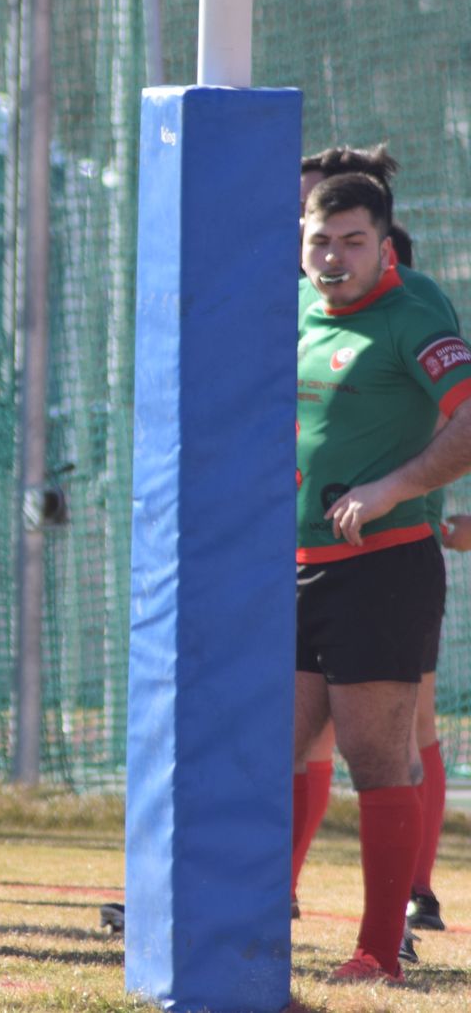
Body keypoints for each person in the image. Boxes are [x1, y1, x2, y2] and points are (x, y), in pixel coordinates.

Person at [294, 171, 471, 982]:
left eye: (352, 242)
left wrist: (393, 488)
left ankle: (377, 950)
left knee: (377, 757)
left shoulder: (412, 311)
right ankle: (247, 915)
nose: (333, 258)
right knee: (268, 750)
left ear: (384, 245)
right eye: (319, 241)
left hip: (384, 571)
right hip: (290, 572)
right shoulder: (290, 309)